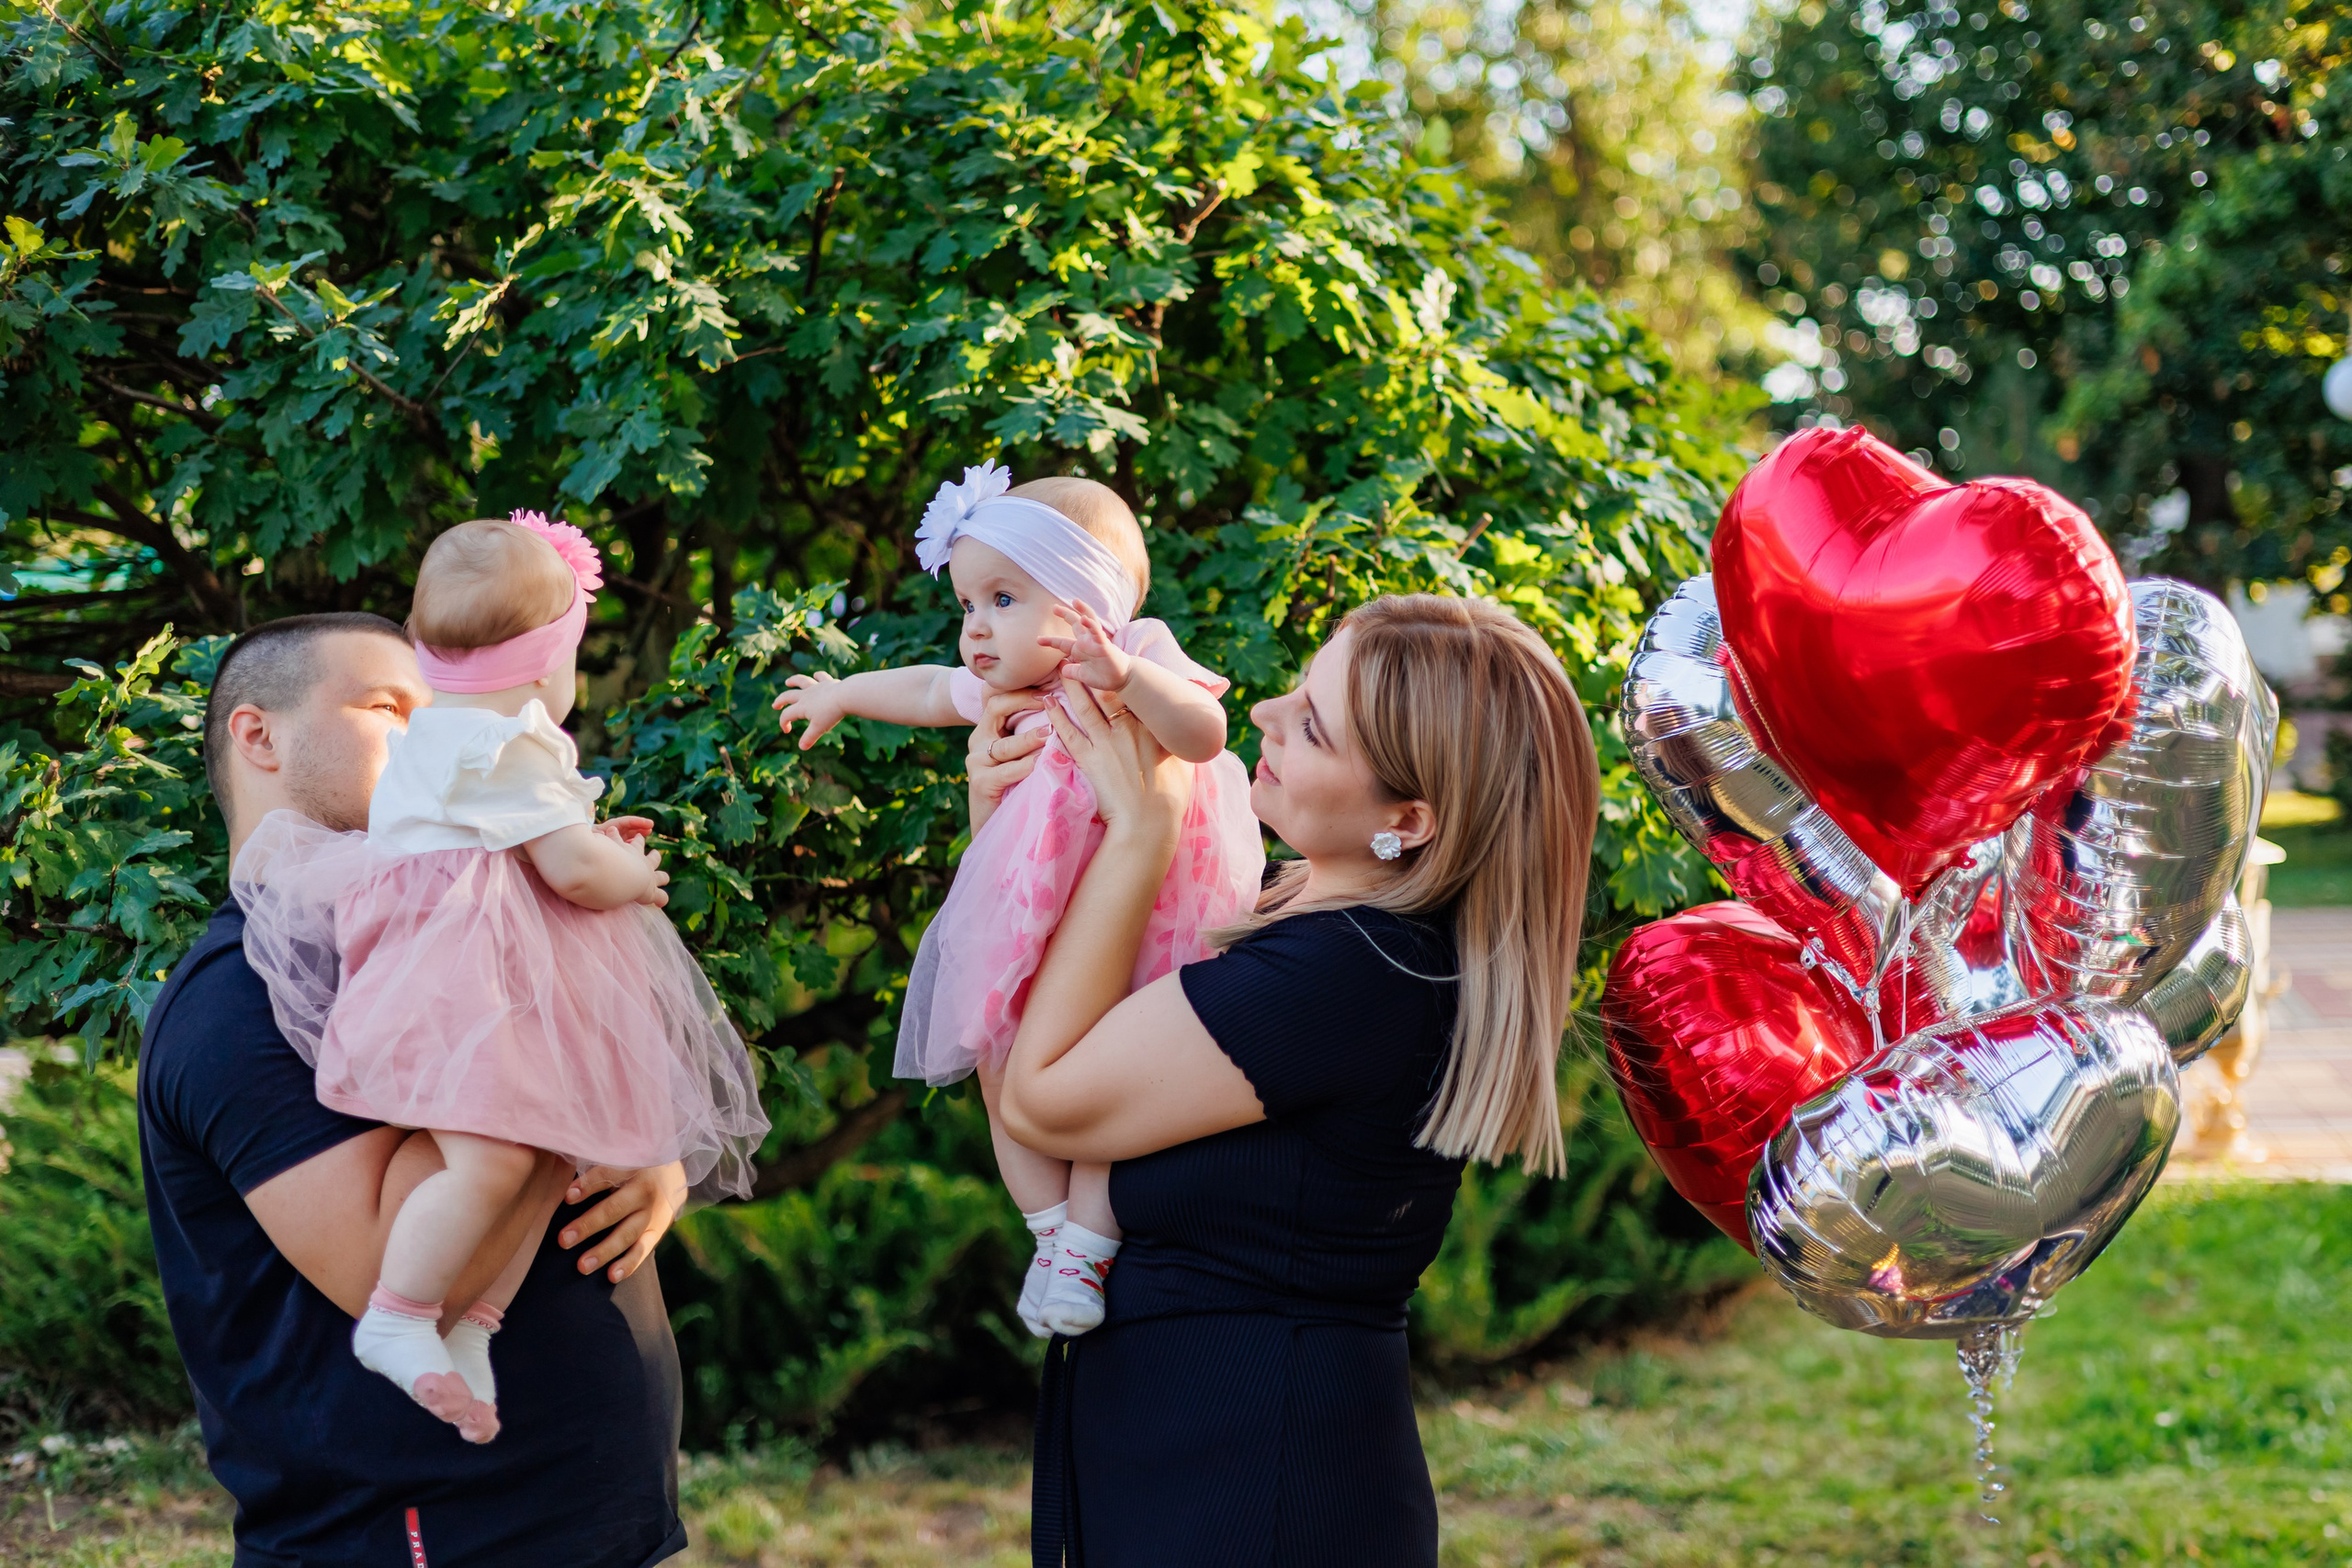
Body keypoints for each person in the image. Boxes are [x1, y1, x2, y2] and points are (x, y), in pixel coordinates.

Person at [1000, 594, 1600, 1567]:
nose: (1268, 714)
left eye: (1312, 724)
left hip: (1252, 1493)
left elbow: (1043, 1096)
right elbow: (1033, 1118)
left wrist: (1141, 829)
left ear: (1406, 820)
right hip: (1189, 1462)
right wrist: (1009, 829)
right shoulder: (1303, 925)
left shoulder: (1351, 974)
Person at [138, 611, 693, 1566]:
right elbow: (401, 1276)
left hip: (589, 1514)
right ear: (258, 735)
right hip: (426, 1533)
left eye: (439, 712)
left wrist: (650, 1149)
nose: (432, 739)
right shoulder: (238, 999)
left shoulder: (448, 932)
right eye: (388, 707)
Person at [232, 513, 766, 1441]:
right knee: (494, 1155)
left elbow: (516, 855)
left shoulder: (447, 754)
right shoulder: (509, 743)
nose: (409, 723)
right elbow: (568, 870)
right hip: (454, 989)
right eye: (377, 707)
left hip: (600, 1491)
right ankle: (404, 1321)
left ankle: (477, 1327)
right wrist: (628, 877)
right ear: (544, 663)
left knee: (535, 1140)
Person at [773, 463, 1262, 1337]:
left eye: (1002, 598)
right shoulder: (1006, 691)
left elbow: (1207, 731)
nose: (974, 629)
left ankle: (1089, 1242)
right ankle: (1050, 1235)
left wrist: (1126, 677)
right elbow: (926, 689)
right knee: (997, 1055)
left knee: (1110, 1077)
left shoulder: (1137, 655)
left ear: (1085, 603)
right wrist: (844, 693)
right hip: (1032, 914)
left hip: (1141, 912)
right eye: (967, 605)